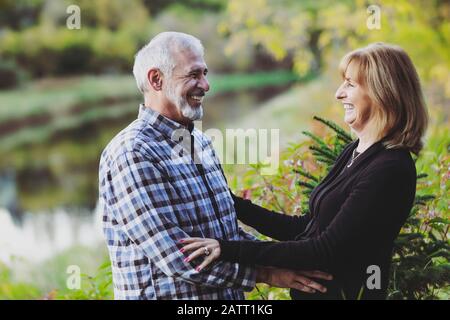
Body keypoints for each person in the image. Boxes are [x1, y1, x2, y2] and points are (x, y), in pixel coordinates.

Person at [180, 42, 429, 300]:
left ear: (382, 93)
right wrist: (229, 202)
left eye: (350, 84)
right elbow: (307, 227)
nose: (339, 93)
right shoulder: (357, 151)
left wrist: (229, 249)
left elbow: (324, 250)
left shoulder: (389, 168)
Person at [99, 31, 330, 300]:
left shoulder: (201, 143)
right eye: (194, 75)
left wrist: (286, 259)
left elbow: (226, 232)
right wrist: (267, 274)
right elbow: (174, 256)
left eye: (205, 73)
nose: (206, 85)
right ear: (156, 79)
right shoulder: (134, 152)